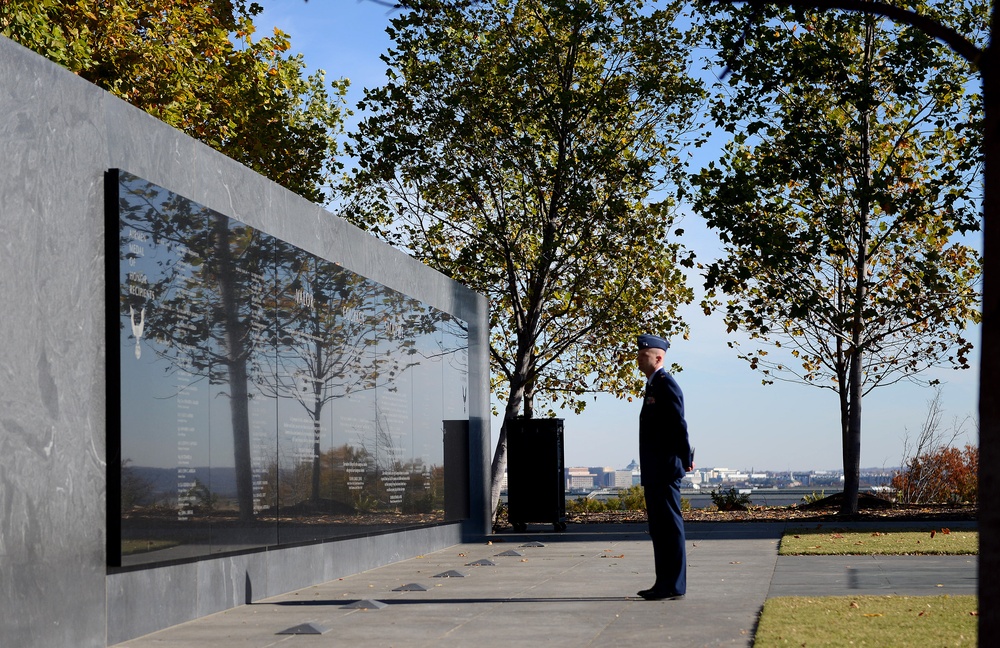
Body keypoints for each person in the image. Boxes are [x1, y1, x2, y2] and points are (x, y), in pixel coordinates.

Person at [635, 333, 692, 601]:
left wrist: (685, 458)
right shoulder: (653, 386)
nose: (638, 358)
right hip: (655, 469)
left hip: (666, 468)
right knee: (659, 527)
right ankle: (664, 582)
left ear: (658, 357)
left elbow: (678, 424)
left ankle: (675, 584)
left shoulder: (666, 384)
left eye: (643, 354)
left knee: (670, 525)